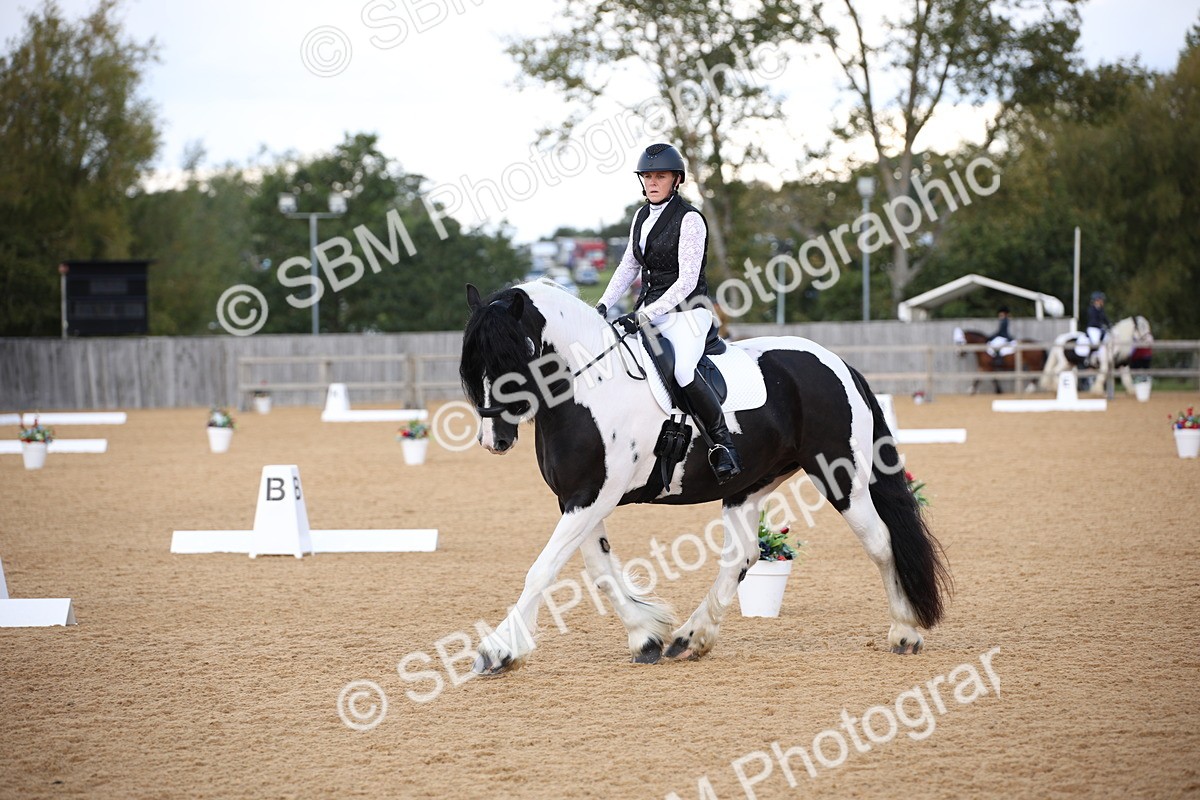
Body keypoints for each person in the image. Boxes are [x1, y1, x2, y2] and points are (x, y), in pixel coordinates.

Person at [594, 143, 742, 483]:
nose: (652, 182)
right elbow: (628, 265)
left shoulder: (690, 219)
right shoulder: (640, 217)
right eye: (647, 177)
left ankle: (723, 444)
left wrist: (646, 314)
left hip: (688, 313)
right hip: (649, 312)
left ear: (676, 179)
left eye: (660, 176)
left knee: (684, 371)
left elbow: (686, 281)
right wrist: (603, 304)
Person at [1076, 291, 1111, 360]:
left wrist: (1110, 324)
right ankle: (1088, 358)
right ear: (1097, 300)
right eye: (1101, 300)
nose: (1103, 302)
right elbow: (1094, 320)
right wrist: (1101, 326)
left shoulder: (1101, 310)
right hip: (1093, 329)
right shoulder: (1092, 309)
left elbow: (1105, 319)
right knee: (1095, 342)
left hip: (1099, 329)